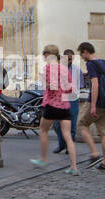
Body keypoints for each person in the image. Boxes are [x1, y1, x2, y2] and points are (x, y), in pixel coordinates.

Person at [31, 44, 77, 173]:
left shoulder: (48, 68)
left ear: (48, 54)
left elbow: (52, 87)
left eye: (44, 54)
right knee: (67, 135)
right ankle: (74, 167)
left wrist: (43, 81)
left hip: (52, 104)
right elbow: (70, 88)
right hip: (64, 105)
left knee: (43, 130)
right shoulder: (64, 69)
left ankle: (43, 160)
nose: (43, 56)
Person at [76, 42, 105, 171]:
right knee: (103, 132)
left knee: (81, 124)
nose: (81, 57)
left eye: (81, 54)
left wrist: (93, 105)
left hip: (96, 101)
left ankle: (94, 153)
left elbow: (95, 85)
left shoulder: (91, 64)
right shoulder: (104, 62)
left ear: (86, 51)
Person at [54, 49, 81, 153]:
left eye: (71, 59)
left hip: (73, 98)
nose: (70, 61)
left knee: (72, 125)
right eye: (68, 59)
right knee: (57, 124)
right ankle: (62, 144)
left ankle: (70, 147)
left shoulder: (77, 70)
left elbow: (79, 85)